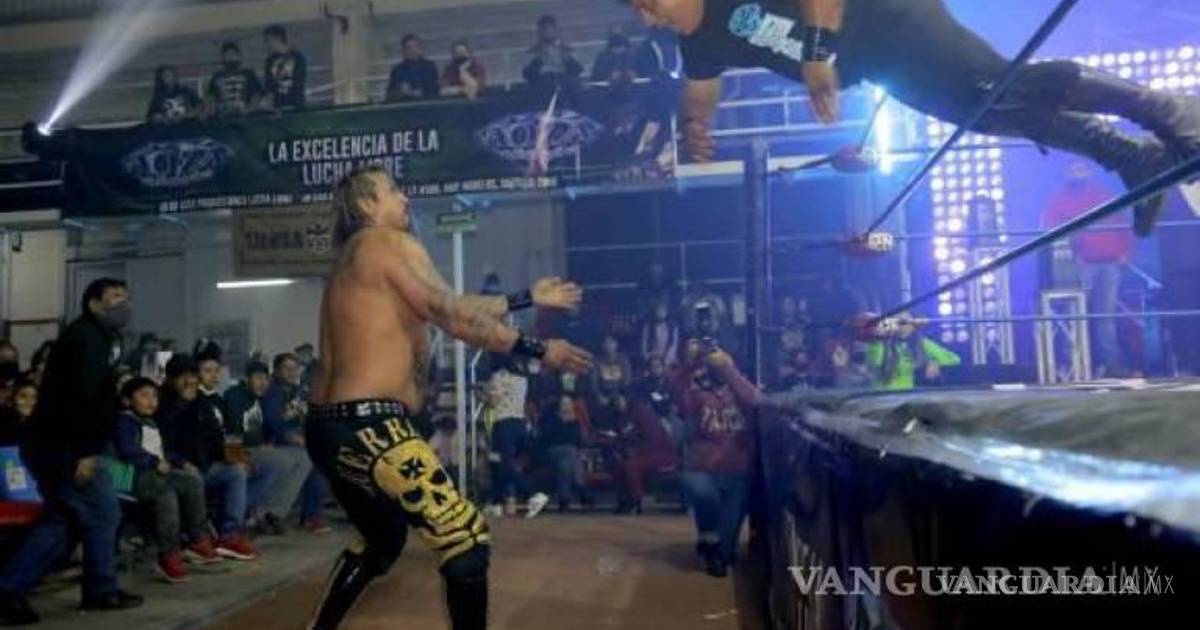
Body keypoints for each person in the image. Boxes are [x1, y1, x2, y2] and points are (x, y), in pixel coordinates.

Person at [303, 164, 592, 630]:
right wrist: (540, 347)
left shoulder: (353, 258)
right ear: (366, 203)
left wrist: (523, 300)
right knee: (466, 539)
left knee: (383, 541)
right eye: (393, 191)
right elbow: (450, 315)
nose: (406, 199)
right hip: (368, 425)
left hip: (329, 428)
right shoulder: (386, 241)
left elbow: (448, 304)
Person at [629, 0, 1200, 236]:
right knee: (985, 114)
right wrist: (695, 127)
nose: (650, 19)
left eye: (649, 3)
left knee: (995, 85)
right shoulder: (698, 40)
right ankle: (1132, 157)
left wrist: (817, 54)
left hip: (893, 19)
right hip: (880, 63)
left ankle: (1165, 109)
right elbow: (699, 88)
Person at [0, 279, 142, 624]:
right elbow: (83, 398)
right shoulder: (88, 339)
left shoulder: (98, 338)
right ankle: (98, 589)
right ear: (93, 303)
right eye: (114, 297)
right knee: (102, 513)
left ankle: (10, 591)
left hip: (55, 444)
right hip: (65, 446)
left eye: (125, 297)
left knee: (65, 520)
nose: (123, 304)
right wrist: (86, 451)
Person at [113, 377, 219, 583]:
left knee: (192, 482)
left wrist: (181, 462)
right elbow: (127, 450)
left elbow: (162, 452)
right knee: (165, 493)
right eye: (144, 395)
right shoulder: (124, 422)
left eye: (154, 396)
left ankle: (197, 539)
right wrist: (152, 462)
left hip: (156, 471)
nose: (151, 401)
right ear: (127, 400)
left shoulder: (151, 422)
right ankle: (168, 552)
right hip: (133, 475)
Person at [158, 353, 260, 560]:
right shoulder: (161, 401)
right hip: (175, 467)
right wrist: (182, 403)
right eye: (183, 376)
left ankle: (229, 535)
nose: (189, 381)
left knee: (236, 472)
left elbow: (216, 434)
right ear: (171, 378)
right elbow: (162, 440)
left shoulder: (203, 400)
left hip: (204, 465)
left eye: (192, 375)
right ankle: (197, 538)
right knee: (193, 478)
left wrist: (233, 456)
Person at [674, 339, 760, 578]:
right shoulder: (699, 392)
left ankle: (711, 544)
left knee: (726, 556)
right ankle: (709, 538)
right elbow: (679, 399)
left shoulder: (741, 387)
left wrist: (728, 369)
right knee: (705, 495)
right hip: (702, 467)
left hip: (737, 470)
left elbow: (755, 401)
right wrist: (691, 364)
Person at [1041, 160, 1134, 377]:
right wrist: (1073, 249)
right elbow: (1049, 228)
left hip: (1110, 262)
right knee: (1075, 314)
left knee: (1106, 316)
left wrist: (1125, 252)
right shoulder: (1059, 199)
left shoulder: (1104, 194)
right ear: (1064, 174)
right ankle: (1071, 363)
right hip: (1080, 263)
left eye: (1082, 169)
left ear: (1090, 172)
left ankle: (1110, 364)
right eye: (1073, 169)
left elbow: (1121, 223)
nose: (1078, 173)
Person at [225, 359, 312, 535]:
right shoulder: (235, 396)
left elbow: (267, 426)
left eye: (265, 378)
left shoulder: (259, 398)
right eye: (257, 378)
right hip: (241, 451)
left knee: (305, 458)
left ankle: (273, 512)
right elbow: (231, 429)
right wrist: (237, 457)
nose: (262, 383)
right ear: (246, 379)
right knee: (279, 462)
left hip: (261, 447)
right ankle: (255, 514)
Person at [482, 354, 547, 519]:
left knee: (503, 463)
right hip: (519, 423)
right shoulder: (521, 378)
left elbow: (493, 401)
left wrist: (483, 394)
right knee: (497, 462)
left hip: (503, 423)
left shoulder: (498, 377)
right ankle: (495, 503)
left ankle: (533, 493)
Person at [614, 366, 680, 514]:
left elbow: (652, 437)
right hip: (646, 452)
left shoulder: (642, 411)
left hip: (662, 453)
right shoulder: (624, 415)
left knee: (631, 465)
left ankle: (637, 500)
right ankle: (624, 500)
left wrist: (631, 442)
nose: (617, 402)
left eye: (619, 399)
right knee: (621, 466)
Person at [863, 314, 961, 390]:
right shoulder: (879, 344)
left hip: (910, 398)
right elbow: (873, 363)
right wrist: (882, 333)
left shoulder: (922, 343)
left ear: (914, 325)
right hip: (882, 398)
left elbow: (955, 359)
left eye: (906, 322)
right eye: (898, 322)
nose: (902, 326)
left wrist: (934, 362)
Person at [539, 395, 590, 513]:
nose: (567, 406)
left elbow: (577, 441)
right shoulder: (551, 418)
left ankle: (564, 499)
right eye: (564, 403)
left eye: (569, 403)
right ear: (559, 405)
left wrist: (570, 423)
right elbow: (548, 438)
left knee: (565, 465)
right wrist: (562, 422)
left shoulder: (575, 421)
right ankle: (580, 486)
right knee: (570, 452)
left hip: (569, 455)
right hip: (552, 452)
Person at [522, 15, 584, 95]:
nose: (546, 32)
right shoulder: (532, 53)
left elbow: (578, 70)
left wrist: (567, 58)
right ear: (539, 32)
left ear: (556, 30)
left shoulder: (568, 50)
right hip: (541, 88)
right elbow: (527, 75)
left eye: (549, 29)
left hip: (566, 87)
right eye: (543, 30)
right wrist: (540, 58)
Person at [207, 41, 262, 118]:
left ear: (239, 56)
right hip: (223, 116)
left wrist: (249, 109)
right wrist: (211, 109)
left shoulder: (248, 74)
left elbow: (257, 94)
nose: (231, 57)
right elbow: (210, 96)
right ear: (223, 57)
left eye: (233, 54)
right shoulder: (217, 76)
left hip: (245, 116)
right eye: (228, 55)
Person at [263, 24, 307, 110]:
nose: (267, 44)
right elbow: (269, 86)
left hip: (295, 105)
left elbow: (299, 82)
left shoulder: (297, 57)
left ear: (278, 38)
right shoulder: (270, 61)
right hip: (277, 107)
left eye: (268, 40)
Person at [386, 34, 440, 102]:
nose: (413, 51)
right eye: (409, 48)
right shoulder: (397, 70)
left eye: (416, 47)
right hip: (406, 105)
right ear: (403, 51)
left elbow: (435, 89)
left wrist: (421, 92)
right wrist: (401, 92)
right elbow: (390, 95)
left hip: (427, 104)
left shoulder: (430, 67)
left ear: (421, 49)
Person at [641, 299, 681, 366]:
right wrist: (648, 357)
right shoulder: (649, 326)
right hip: (653, 358)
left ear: (666, 312)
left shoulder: (673, 326)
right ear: (655, 311)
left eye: (663, 310)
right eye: (658, 309)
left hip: (669, 359)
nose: (660, 312)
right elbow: (644, 343)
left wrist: (667, 359)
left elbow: (674, 344)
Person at [0, 379, 36, 447]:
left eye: (33, 397)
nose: (29, 401)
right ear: (13, 398)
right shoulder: (5, 426)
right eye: (23, 396)